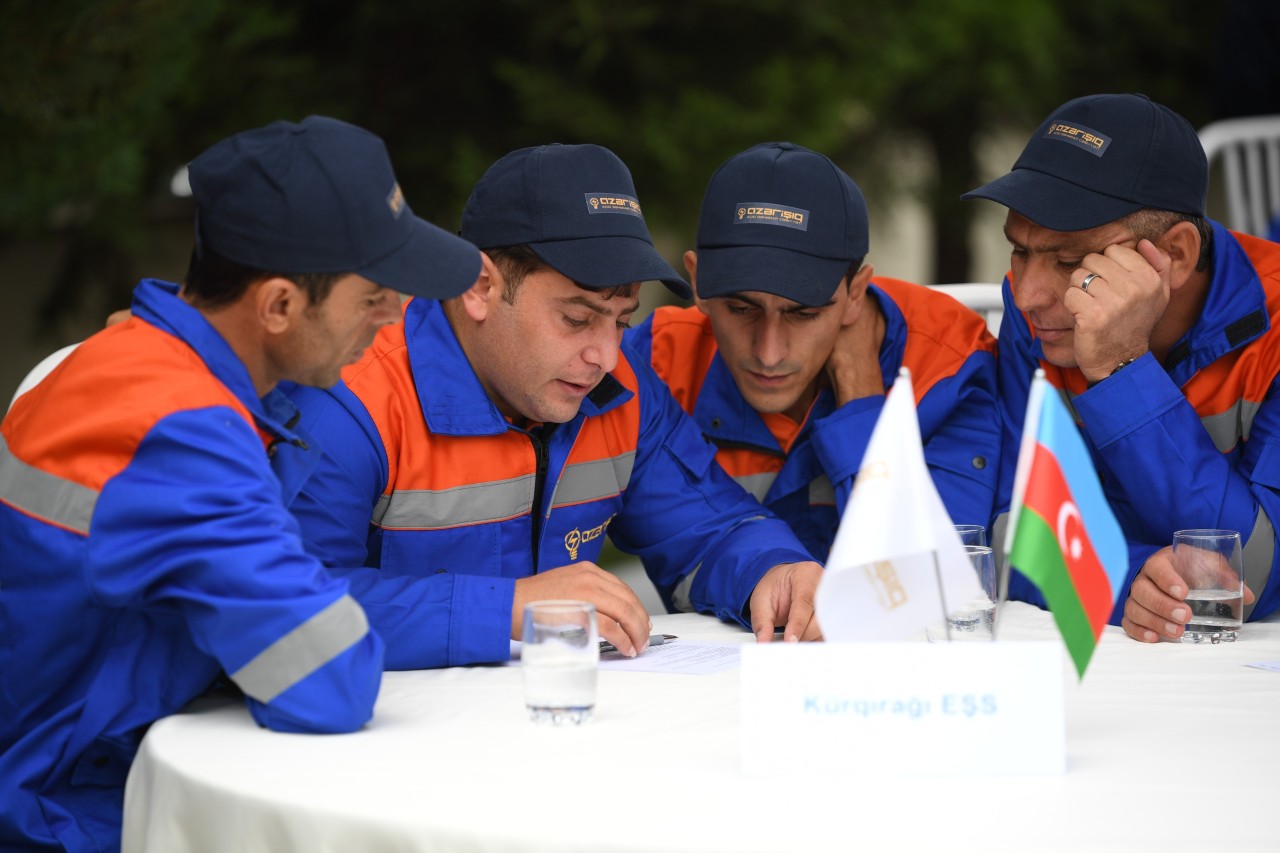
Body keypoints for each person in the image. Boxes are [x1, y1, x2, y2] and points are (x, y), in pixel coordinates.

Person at [0, 116, 480, 851]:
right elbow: (329, 676)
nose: (394, 320)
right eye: (374, 296)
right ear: (280, 305)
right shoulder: (182, 430)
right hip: (61, 818)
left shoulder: (129, 361)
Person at [284, 142, 824, 669]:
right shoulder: (352, 397)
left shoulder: (623, 393)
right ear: (479, 285)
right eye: (577, 318)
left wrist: (776, 569)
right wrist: (510, 609)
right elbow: (285, 607)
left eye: (623, 320)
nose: (607, 356)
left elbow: (711, 527)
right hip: (376, 749)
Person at [962, 92, 1280, 641]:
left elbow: (1249, 579)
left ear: (1175, 255)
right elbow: (1014, 528)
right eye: (1019, 250)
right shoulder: (1037, 313)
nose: (1029, 294)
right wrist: (1127, 580)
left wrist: (1122, 368)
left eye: (1068, 261)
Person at [626, 142, 1000, 563]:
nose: (768, 353)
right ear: (697, 283)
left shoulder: (950, 363)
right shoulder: (655, 357)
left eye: (802, 314)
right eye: (740, 309)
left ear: (855, 293)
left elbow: (936, 585)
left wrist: (861, 398)